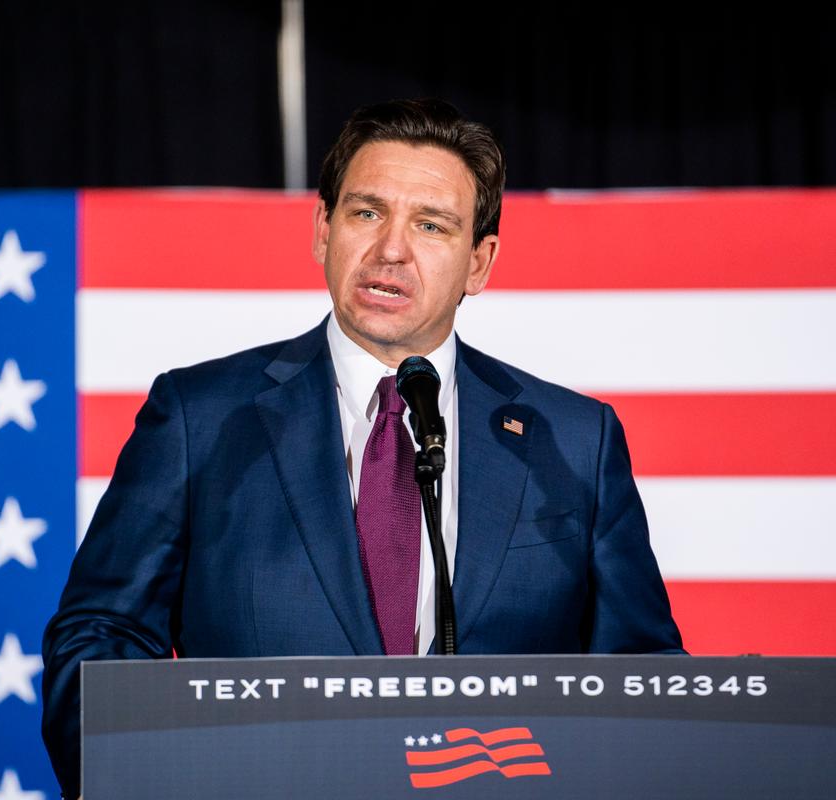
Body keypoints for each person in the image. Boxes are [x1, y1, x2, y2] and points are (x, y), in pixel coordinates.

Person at [41, 98, 683, 799]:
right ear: (323, 229)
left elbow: (643, 680)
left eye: (431, 225)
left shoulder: (574, 440)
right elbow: (96, 646)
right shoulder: (200, 417)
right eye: (366, 213)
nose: (391, 249)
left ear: (480, 262)